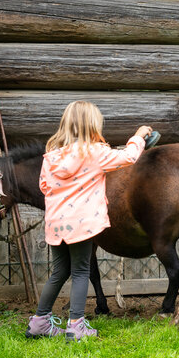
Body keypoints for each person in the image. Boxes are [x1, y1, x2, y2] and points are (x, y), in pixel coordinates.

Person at [26, 101, 151, 341]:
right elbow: (129, 157)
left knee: (59, 271)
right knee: (81, 271)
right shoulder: (94, 153)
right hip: (81, 224)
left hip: (56, 224)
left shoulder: (51, 156)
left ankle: (39, 323)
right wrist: (138, 135)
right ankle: (76, 326)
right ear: (93, 125)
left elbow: (44, 187)